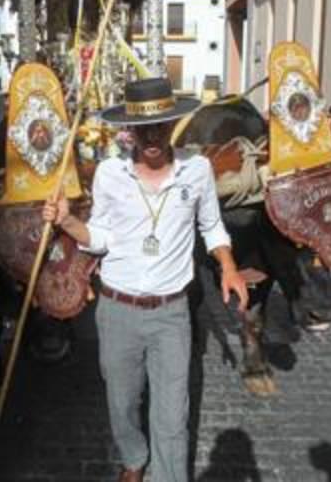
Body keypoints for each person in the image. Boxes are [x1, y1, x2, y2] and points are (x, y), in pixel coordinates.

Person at [43, 78, 248, 482]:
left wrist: (228, 265)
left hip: (172, 313)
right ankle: (134, 458)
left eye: (160, 126)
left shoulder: (197, 169)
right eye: (143, 129)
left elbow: (212, 225)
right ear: (129, 130)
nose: (152, 137)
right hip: (118, 311)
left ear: (173, 124)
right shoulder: (109, 174)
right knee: (122, 403)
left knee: (173, 414)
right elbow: (100, 238)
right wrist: (67, 221)